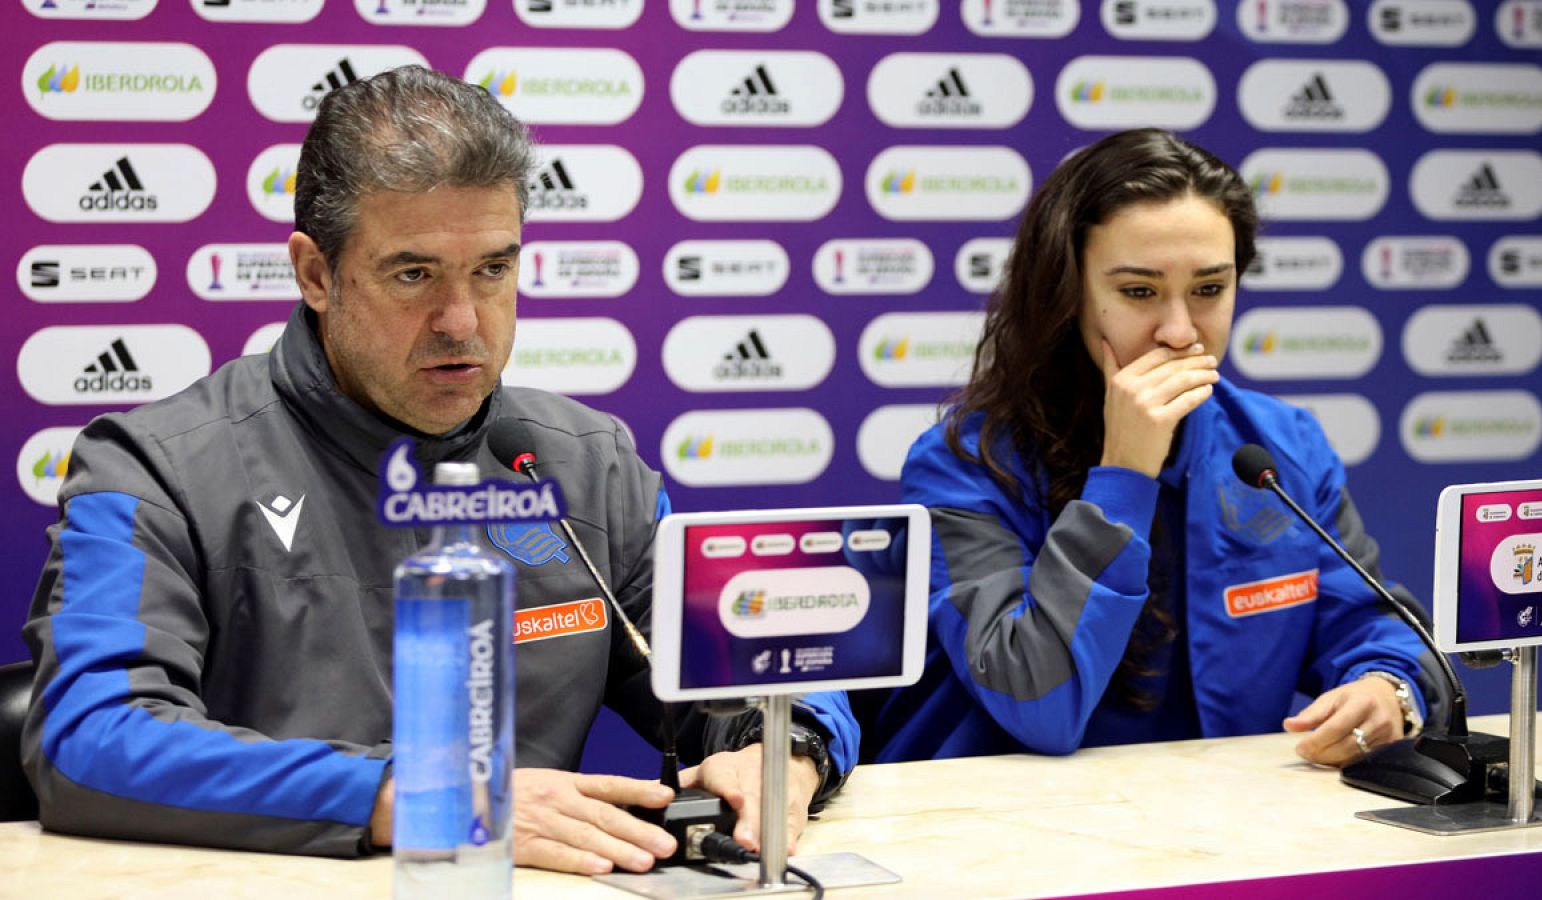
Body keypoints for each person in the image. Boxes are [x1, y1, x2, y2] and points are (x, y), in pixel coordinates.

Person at [21, 66, 857, 874]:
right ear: (316, 273)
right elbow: (90, 740)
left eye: (492, 269)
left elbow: (775, 671)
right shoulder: (153, 468)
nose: (463, 322)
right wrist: (423, 800)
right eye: (414, 274)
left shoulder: (585, 463)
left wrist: (784, 753)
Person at [867, 129, 1444, 766]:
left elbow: (1374, 625)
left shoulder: (1280, 445)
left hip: (1231, 830)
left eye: (1209, 290)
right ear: (1068, 293)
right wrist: (1123, 474)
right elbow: (1040, 705)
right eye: (1139, 292)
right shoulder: (964, 465)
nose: (1178, 331)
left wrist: (1390, 687)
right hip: (1020, 837)